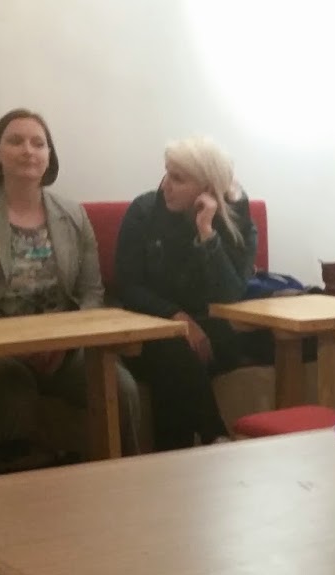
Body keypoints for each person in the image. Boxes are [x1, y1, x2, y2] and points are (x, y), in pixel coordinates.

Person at [0, 108, 141, 472]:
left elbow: (92, 293)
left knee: (121, 387)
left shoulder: (74, 214)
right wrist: (7, 341)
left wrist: (66, 340)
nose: (28, 150)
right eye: (16, 141)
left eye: (38, 143)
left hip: (65, 346)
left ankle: (130, 479)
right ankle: (14, 494)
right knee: (9, 387)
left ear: (49, 156)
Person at [114, 136, 259, 450]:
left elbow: (229, 293)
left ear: (207, 188)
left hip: (212, 328)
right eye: (167, 172)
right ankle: (215, 436)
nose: (166, 185)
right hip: (152, 329)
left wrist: (207, 233)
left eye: (178, 179)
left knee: (179, 364)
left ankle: (177, 457)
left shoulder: (235, 218)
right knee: (174, 353)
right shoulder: (144, 211)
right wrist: (176, 317)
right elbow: (128, 286)